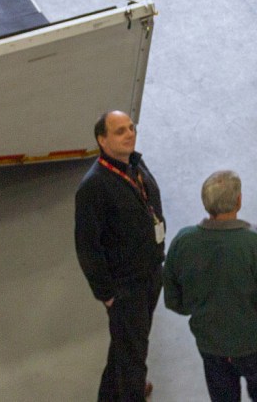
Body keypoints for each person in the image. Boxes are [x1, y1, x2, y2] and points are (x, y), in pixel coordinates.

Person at [163, 170, 257, 402]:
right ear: (239, 201)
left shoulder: (183, 242)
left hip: (212, 348)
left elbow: (175, 300)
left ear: (206, 204)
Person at [75, 110, 165, 402]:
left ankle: (109, 396)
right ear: (102, 140)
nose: (129, 134)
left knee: (127, 345)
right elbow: (88, 247)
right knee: (133, 355)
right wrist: (107, 294)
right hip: (126, 287)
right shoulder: (93, 188)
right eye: (119, 131)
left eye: (131, 127)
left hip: (150, 274)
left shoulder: (136, 165)